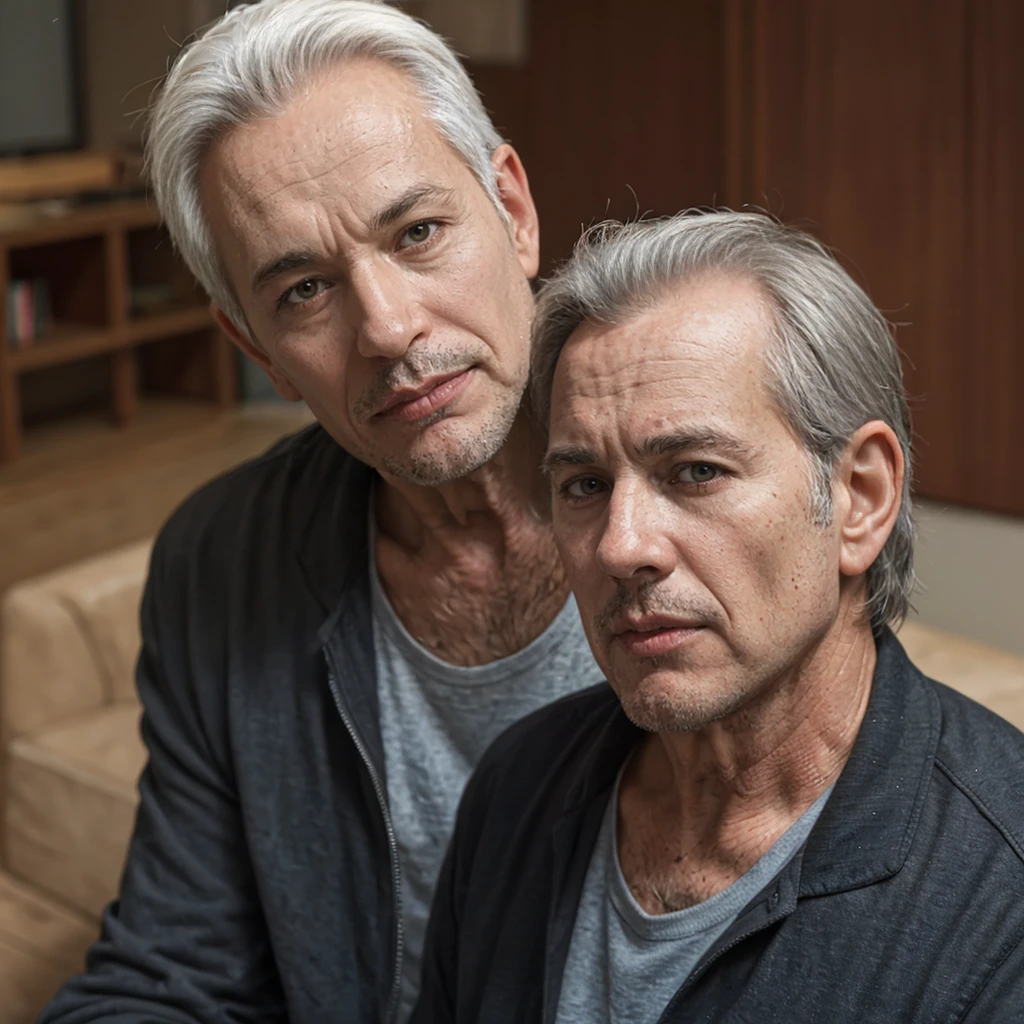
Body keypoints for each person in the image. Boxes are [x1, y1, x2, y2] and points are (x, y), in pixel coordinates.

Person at [39, 2, 605, 1022]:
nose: (387, 328)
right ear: (254, 349)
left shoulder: (713, 504)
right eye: (303, 291)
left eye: (419, 232)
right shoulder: (221, 562)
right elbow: (171, 967)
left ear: (512, 211)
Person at [412, 211, 1024, 1023]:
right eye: (585, 486)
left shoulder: (1001, 894)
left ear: (860, 498)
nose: (622, 546)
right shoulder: (519, 786)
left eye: (695, 471)